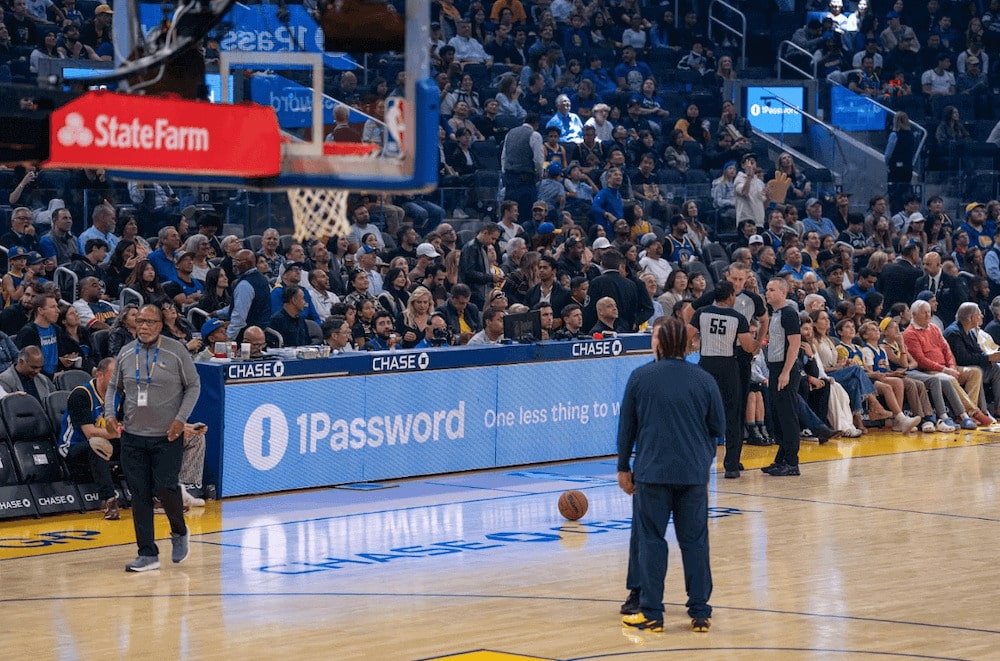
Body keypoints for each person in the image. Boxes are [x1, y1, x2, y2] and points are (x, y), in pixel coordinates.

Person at [617, 317, 724, 633]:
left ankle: (652, 612)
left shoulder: (640, 377)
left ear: (660, 343)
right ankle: (701, 612)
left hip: (652, 473)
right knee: (695, 543)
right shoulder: (704, 379)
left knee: (651, 541)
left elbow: (627, 429)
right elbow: (718, 427)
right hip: (693, 474)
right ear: (687, 344)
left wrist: (624, 467)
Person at [105, 304, 201, 572]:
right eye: (140, 321)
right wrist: (110, 413)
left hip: (166, 437)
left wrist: (180, 419)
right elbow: (114, 387)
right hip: (133, 437)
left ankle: (179, 530)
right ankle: (147, 553)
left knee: (166, 488)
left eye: (150, 321)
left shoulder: (176, 350)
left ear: (161, 324)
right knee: (139, 495)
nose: (144, 326)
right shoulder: (125, 352)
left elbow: (193, 386)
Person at [690, 281, 760, 479]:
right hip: (728, 367)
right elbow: (747, 346)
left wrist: (693, 343)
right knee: (733, 415)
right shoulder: (737, 317)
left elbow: (687, 334)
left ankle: (698, 462)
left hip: (705, 366)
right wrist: (759, 343)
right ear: (730, 296)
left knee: (702, 414)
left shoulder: (702, 313)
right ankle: (731, 465)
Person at [59, 357, 122, 520]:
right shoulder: (81, 394)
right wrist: (118, 433)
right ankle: (109, 499)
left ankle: (154, 495)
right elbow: (89, 432)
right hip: (74, 448)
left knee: (137, 443)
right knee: (97, 443)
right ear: (100, 375)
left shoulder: (118, 395)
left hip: (105, 442)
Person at [761, 278, 803, 476]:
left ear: (783, 293)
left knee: (787, 415)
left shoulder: (789, 313)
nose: (767, 293)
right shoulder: (775, 314)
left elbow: (794, 344)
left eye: (771, 290)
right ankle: (781, 457)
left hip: (785, 369)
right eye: (767, 289)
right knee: (777, 414)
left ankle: (792, 462)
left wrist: (785, 372)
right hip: (775, 367)